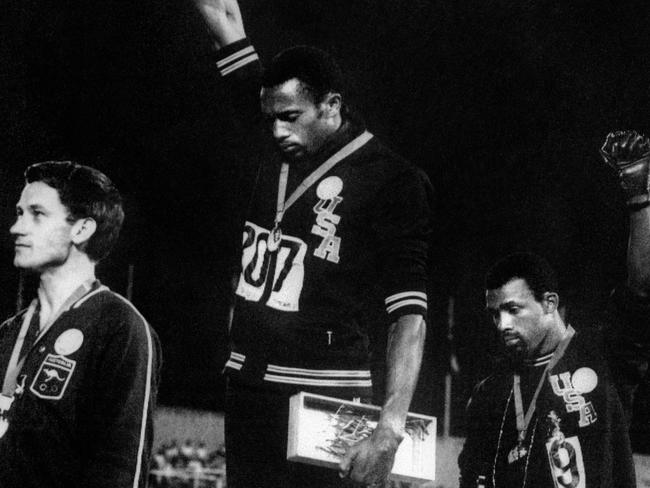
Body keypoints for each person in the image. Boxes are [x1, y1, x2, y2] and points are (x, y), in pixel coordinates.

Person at [193, 1, 434, 487]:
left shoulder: (393, 180)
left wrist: (390, 426)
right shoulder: (272, 124)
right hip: (247, 383)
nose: (277, 130)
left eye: (290, 117)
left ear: (331, 105)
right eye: (270, 117)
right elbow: (222, 16)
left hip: (327, 393)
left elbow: (408, 315)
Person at [458, 130, 650, 488]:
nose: (503, 324)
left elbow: (642, 290)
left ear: (550, 303)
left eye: (514, 309)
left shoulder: (604, 355)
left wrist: (638, 196)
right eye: (495, 314)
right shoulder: (490, 392)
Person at [0, 161, 162, 488]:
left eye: (37, 214)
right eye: (19, 213)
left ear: (82, 229)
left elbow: (121, 466)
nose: (17, 228)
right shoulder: (9, 331)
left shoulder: (120, 327)